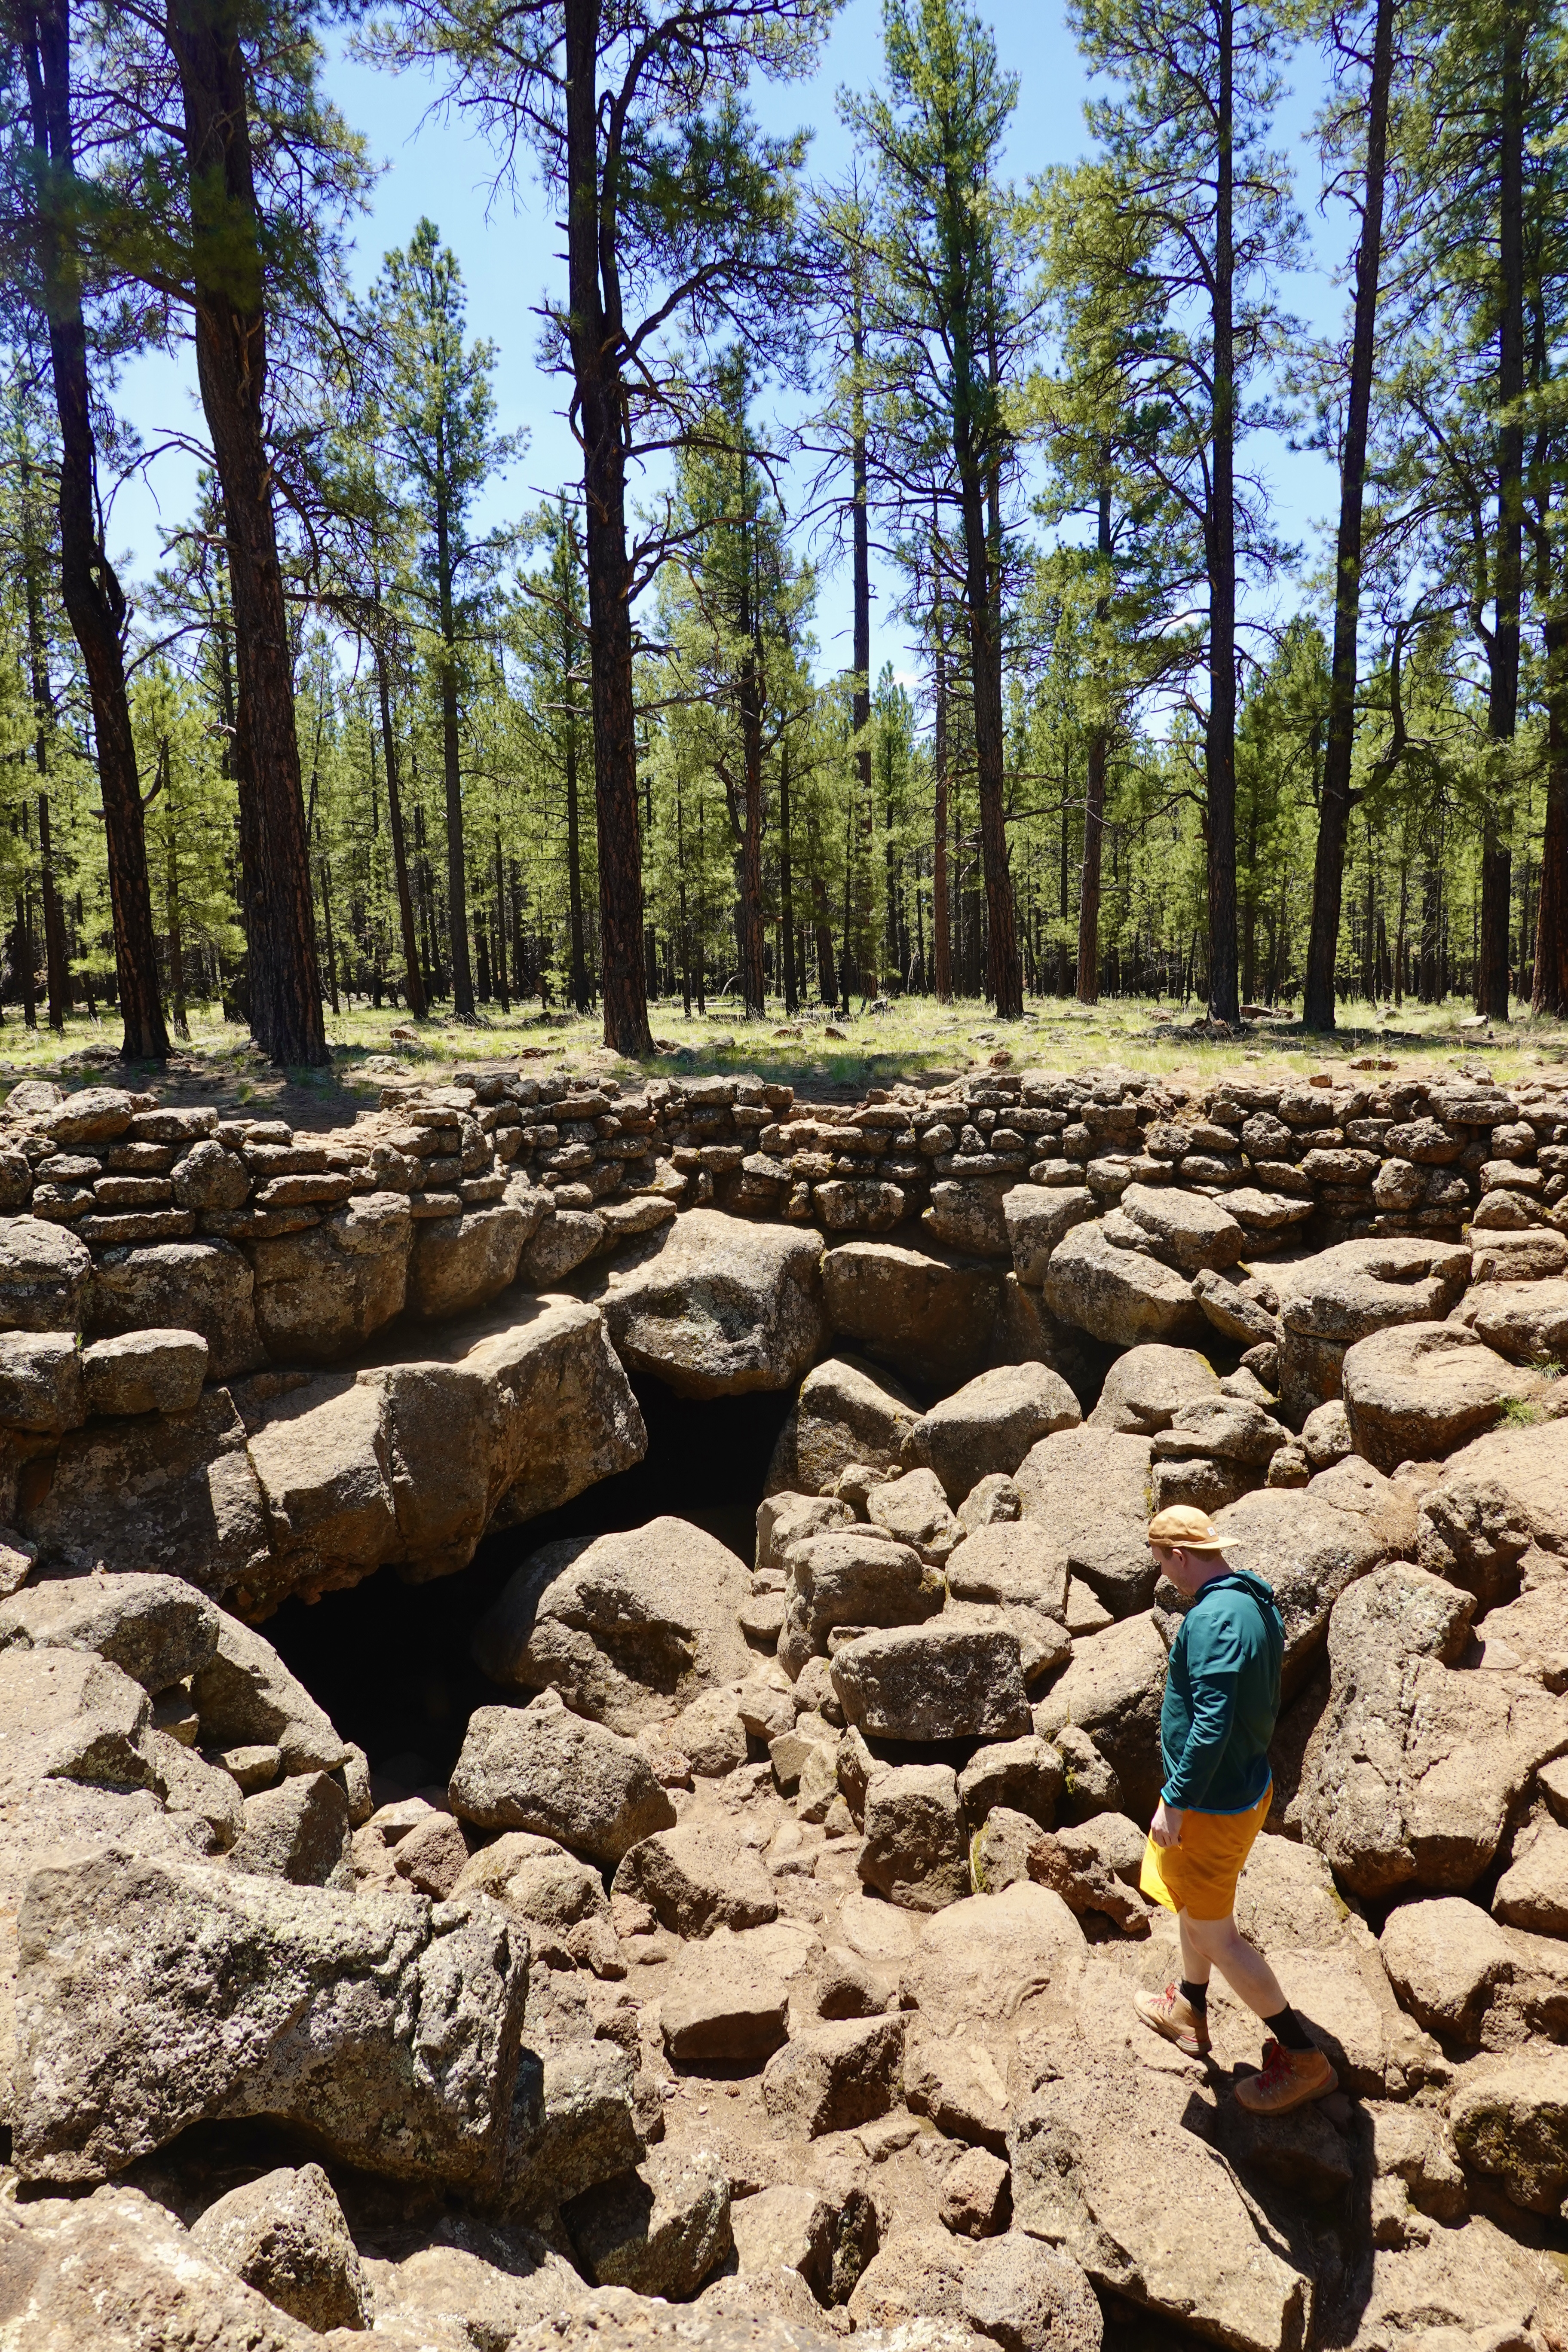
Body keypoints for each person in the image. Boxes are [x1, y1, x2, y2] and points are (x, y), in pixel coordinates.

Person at [1132, 1503, 1338, 2116]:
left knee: (1217, 1933)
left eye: (1163, 1565)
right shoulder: (1253, 1598)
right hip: (1244, 1785)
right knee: (1195, 1909)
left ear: (1179, 1556)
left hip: (1213, 1804)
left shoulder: (1216, 1619)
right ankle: (1190, 2008)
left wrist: (1176, 1799)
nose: (1165, 1577)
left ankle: (1304, 2057)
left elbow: (1213, 1723)